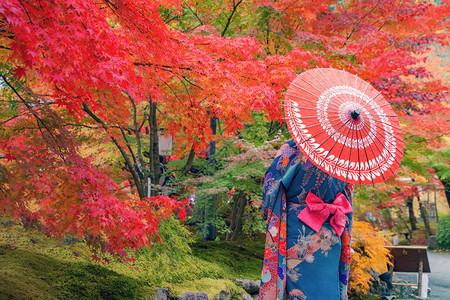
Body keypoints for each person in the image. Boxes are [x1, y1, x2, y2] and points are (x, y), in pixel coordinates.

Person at [259, 140, 354, 300]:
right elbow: (347, 199)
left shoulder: (294, 148)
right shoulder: (346, 155)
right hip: (331, 235)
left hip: (298, 230)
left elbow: (271, 189)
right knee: (327, 289)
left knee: (296, 285)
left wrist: (266, 212)